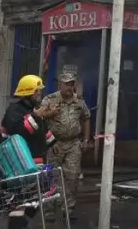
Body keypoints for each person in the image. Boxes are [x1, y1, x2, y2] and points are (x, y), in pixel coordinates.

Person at [1, 75, 57, 229]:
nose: (40, 94)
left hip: (36, 163)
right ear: (28, 93)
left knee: (36, 199)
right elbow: (19, 132)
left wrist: (52, 142)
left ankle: (22, 223)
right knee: (20, 202)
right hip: (21, 165)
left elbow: (42, 131)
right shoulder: (14, 111)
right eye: (37, 91)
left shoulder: (33, 111)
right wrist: (36, 117)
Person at [42, 72, 91, 220]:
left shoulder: (79, 102)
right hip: (54, 143)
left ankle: (68, 209)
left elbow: (86, 118)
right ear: (60, 84)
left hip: (73, 143)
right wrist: (49, 141)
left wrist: (86, 139)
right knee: (51, 176)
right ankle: (49, 210)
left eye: (72, 84)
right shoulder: (50, 99)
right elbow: (40, 119)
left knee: (73, 176)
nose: (70, 87)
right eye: (67, 84)